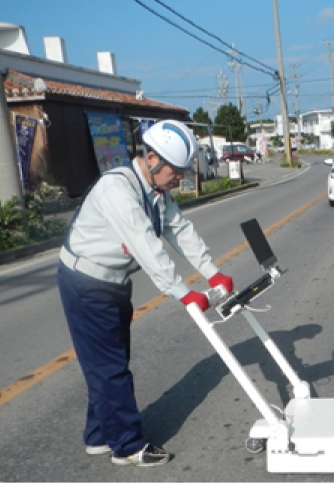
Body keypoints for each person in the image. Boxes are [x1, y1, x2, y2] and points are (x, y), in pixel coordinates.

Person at [57, 120, 234, 467]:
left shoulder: (156, 191)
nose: (179, 178)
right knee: (110, 367)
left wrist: (213, 272)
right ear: (151, 157)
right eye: (175, 170)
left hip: (114, 282)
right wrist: (184, 293)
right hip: (85, 283)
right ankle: (126, 445)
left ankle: (98, 435)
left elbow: (179, 230)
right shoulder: (117, 191)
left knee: (108, 360)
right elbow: (146, 245)